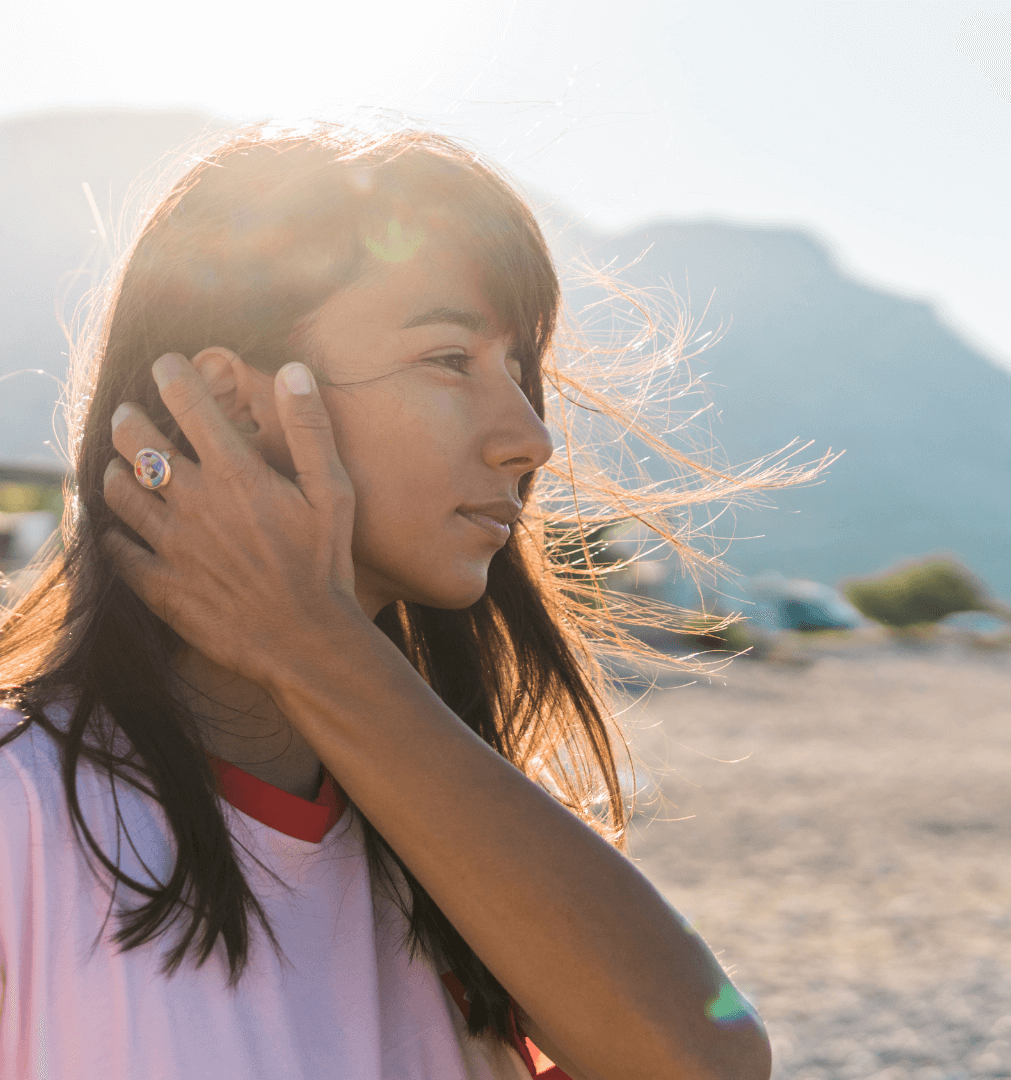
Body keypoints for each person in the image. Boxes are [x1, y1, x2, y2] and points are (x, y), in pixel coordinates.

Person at [0, 123, 788, 1079]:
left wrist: (312, 646)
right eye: (450, 360)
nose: (531, 437)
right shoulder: (20, 814)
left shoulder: (456, 835)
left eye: (521, 371)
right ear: (232, 402)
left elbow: (706, 1062)